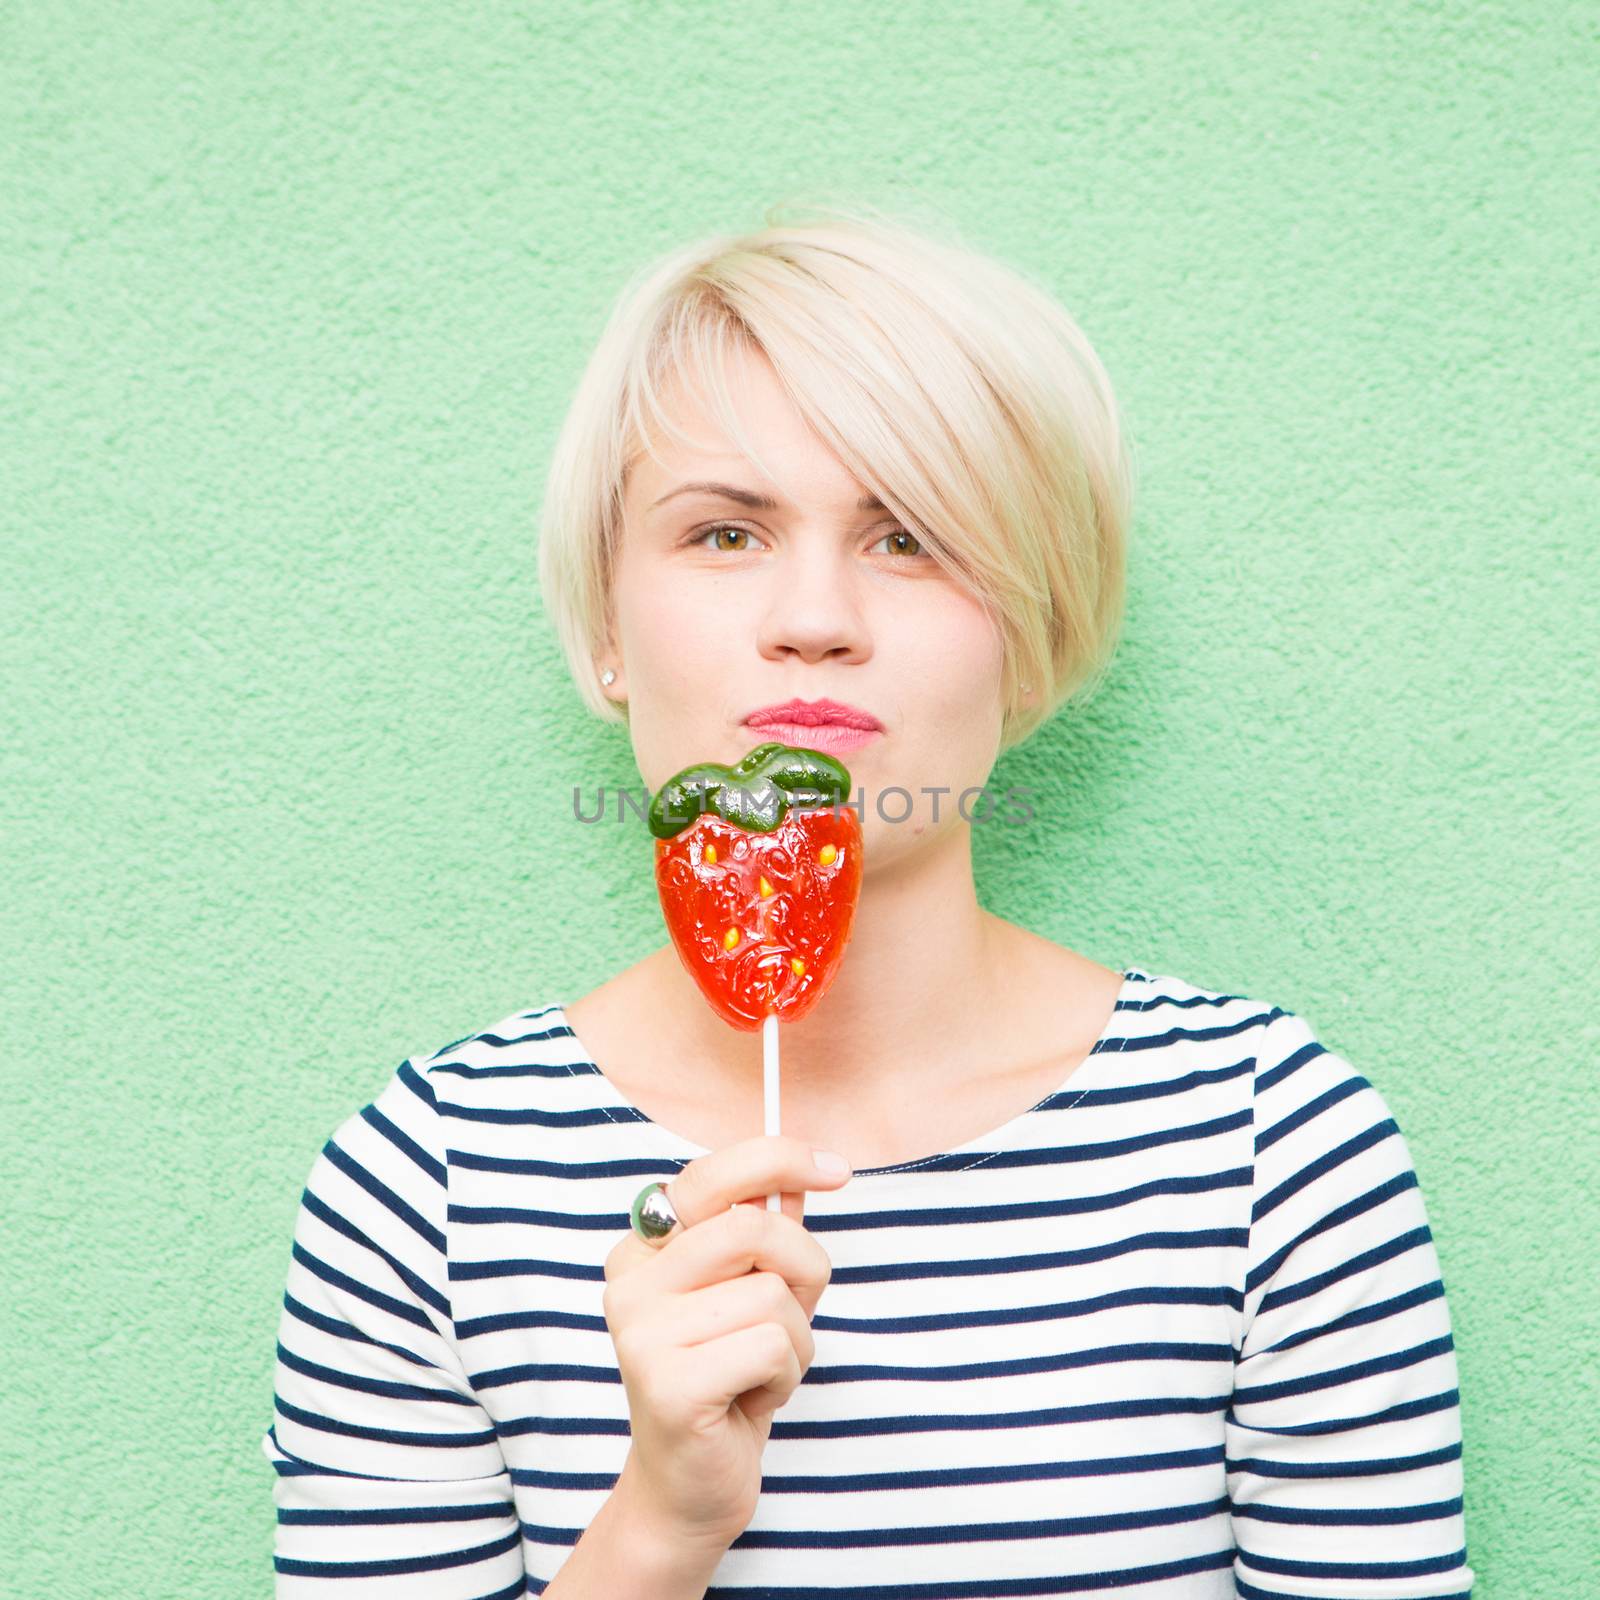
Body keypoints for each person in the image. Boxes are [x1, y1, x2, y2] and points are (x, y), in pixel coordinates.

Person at [261, 203, 1473, 1597]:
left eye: (910, 535)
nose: (815, 615)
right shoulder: (430, 1179)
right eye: (724, 533)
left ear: (1034, 632)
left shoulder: (1270, 1143)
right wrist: (659, 1523)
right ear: (606, 625)